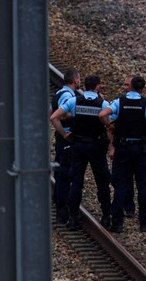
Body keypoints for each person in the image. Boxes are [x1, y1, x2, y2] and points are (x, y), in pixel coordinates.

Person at [99, 75, 146, 233]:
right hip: (141, 149)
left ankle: (117, 223)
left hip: (123, 148)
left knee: (120, 185)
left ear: (130, 87)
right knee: (143, 185)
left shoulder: (119, 102)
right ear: (142, 89)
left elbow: (102, 115)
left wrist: (110, 126)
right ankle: (144, 222)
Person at [50, 74, 112, 229]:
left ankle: (72, 217)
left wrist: (64, 134)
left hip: (78, 145)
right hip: (96, 147)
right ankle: (106, 216)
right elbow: (109, 124)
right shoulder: (103, 103)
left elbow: (54, 117)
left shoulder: (73, 101)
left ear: (84, 86)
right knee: (102, 181)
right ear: (98, 87)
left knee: (76, 182)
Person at [51, 69, 81, 223]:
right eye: (79, 78)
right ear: (75, 80)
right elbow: (61, 115)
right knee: (65, 173)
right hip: (67, 137)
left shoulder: (59, 93)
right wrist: (78, 112)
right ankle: (63, 211)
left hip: (63, 138)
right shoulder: (67, 95)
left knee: (60, 171)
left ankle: (58, 199)